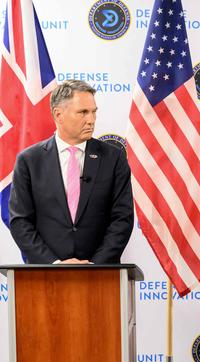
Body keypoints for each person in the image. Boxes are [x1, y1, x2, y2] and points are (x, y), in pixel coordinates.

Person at [9, 79, 134, 264]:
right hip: (45, 276)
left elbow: (122, 219)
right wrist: (54, 264)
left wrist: (95, 266)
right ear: (58, 115)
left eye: (93, 112)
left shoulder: (113, 158)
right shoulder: (29, 161)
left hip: (101, 277)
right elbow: (20, 222)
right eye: (83, 112)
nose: (91, 120)